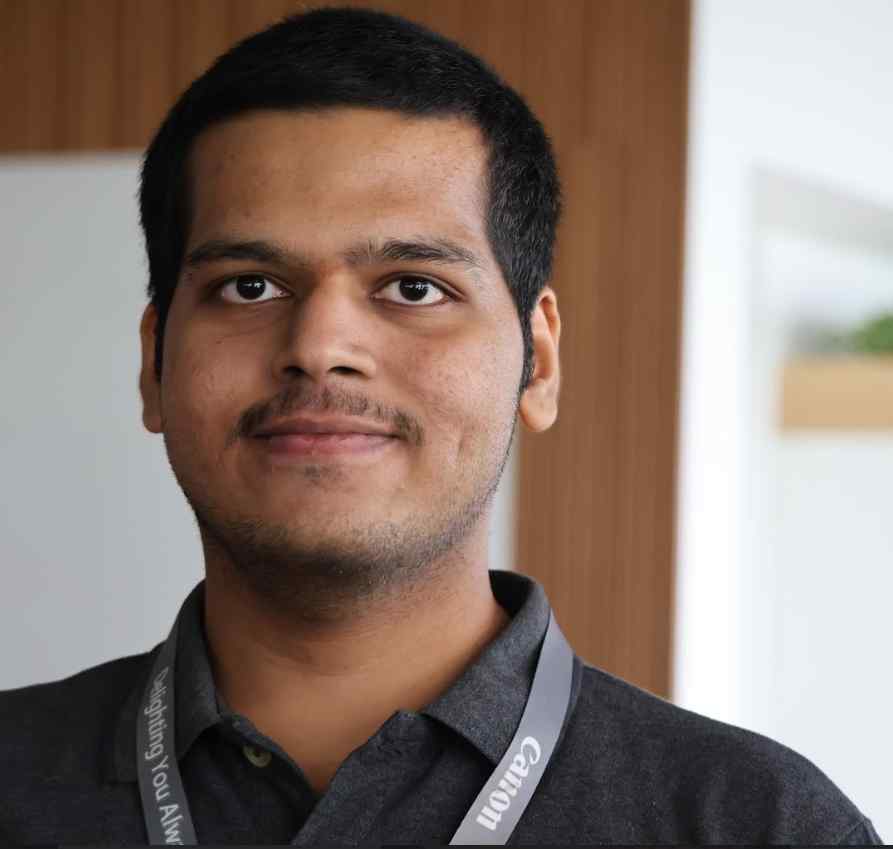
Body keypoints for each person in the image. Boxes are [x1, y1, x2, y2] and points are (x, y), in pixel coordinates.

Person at [0, 6, 882, 846]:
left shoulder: (760, 822)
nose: (319, 348)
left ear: (538, 361)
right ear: (154, 361)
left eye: (413, 287)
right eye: (249, 286)